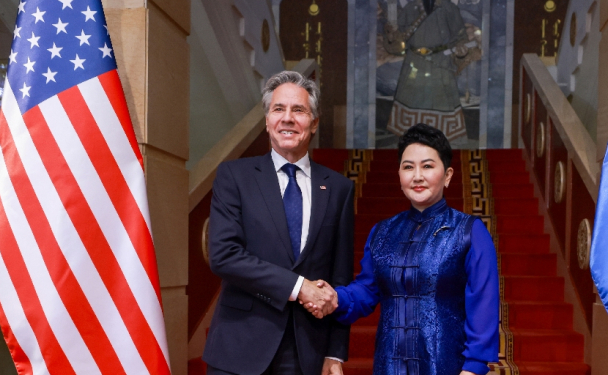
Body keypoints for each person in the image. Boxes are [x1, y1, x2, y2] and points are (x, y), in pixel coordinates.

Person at [308, 123, 499, 375]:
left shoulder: (470, 232)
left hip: (447, 366)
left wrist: (473, 368)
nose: (417, 176)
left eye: (428, 166)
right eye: (408, 167)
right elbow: (366, 290)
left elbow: (484, 305)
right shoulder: (382, 232)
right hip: (389, 366)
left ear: (448, 175)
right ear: (399, 174)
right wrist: (334, 298)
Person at [203, 71, 354, 375]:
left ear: (313, 122)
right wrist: (299, 287)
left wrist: (335, 353)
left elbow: (340, 276)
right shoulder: (234, 176)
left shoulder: (338, 188)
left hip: (306, 350)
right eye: (278, 109)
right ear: (267, 120)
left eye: (298, 110)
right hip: (240, 346)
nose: (288, 118)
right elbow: (223, 255)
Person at [384, 0, 470, 142]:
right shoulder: (411, 8)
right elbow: (398, 45)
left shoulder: (448, 8)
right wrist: (392, 37)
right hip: (413, 65)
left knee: (443, 127)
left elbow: (460, 37)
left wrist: (461, 48)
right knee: (408, 131)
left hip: (440, 64)